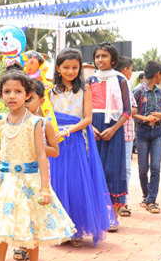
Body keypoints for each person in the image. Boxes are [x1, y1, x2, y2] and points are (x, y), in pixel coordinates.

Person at [0, 67, 74, 261]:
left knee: (30, 227)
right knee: (0, 228)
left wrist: (45, 188)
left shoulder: (35, 122)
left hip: (29, 182)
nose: (12, 96)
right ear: (0, 95)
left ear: (28, 94)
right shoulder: (0, 120)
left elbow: (42, 156)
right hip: (4, 181)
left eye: (18, 91)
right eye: (7, 91)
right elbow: (4, 148)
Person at [49, 48, 117, 246]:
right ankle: (59, 229)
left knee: (76, 182)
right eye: (66, 67)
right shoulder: (50, 90)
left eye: (75, 67)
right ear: (58, 68)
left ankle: (76, 229)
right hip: (55, 141)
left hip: (76, 140)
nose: (70, 71)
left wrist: (69, 130)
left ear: (80, 68)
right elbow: (44, 115)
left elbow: (87, 118)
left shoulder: (84, 88)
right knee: (57, 182)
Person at [12, 78, 60, 261]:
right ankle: (21, 245)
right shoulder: (11, 121)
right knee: (17, 210)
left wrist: (36, 146)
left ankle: (30, 254)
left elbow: (55, 151)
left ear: (40, 100)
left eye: (30, 99)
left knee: (32, 213)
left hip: (35, 175)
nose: (24, 102)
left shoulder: (43, 123)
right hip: (15, 176)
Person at [87, 43, 131, 230]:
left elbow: (127, 110)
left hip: (114, 130)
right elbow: (84, 110)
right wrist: (91, 128)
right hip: (93, 129)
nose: (100, 60)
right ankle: (96, 215)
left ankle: (112, 216)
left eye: (104, 56)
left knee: (112, 170)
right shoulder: (89, 81)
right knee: (93, 170)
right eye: (97, 56)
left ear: (112, 59)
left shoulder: (121, 80)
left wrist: (113, 129)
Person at [133, 61, 161, 214]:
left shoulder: (160, 93)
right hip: (142, 132)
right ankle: (146, 195)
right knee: (142, 168)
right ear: (157, 74)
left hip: (158, 133)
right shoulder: (138, 91)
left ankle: (151, 200)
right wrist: (145, 118)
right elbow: (131, 113)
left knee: (155, 167)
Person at [115, 56, 138, 216]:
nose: (131, 73)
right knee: (124, 169)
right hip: (121, 132)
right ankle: (120, 203)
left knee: (121, 168)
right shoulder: (123, 82)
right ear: (125, 69)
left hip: (117, 132)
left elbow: (132, 108)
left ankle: (120, 202)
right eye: (131, 69)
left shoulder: (118, 82)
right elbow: (133, 109)